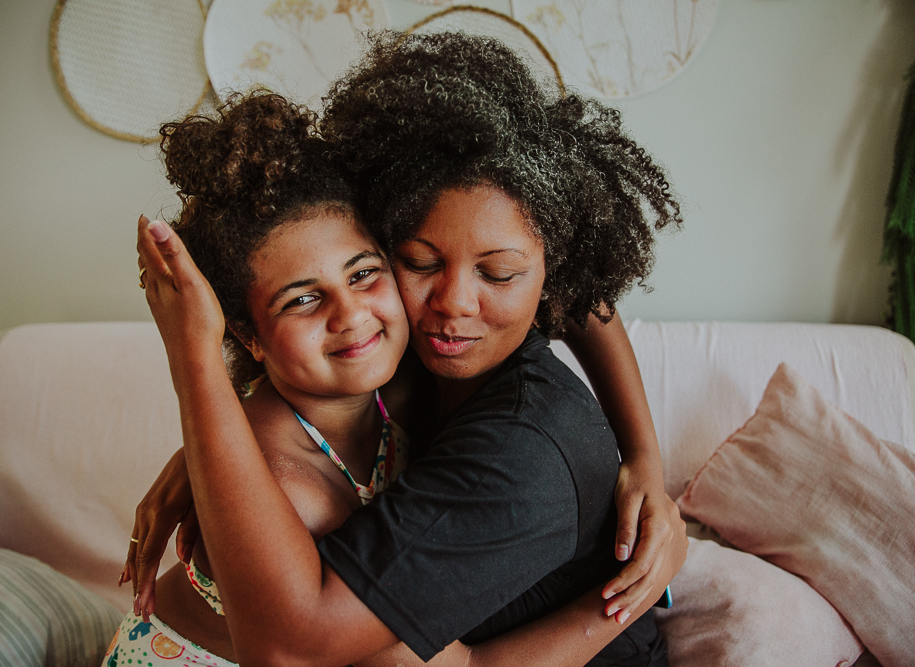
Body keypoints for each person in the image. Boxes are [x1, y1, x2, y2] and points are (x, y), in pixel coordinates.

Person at [130, 31, 687, 667]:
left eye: (499, 274)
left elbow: (291, 645)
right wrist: (213, 444)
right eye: (420, 261)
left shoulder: (519, 453)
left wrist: (197, 371)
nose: (453, 302)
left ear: (550, 272)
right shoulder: (413, 355)